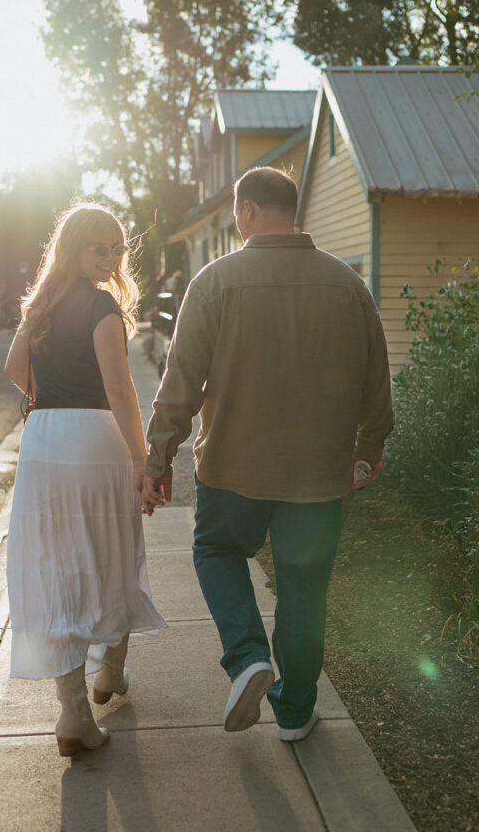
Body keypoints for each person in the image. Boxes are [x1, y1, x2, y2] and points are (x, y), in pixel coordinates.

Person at [142, 166, 393, 743]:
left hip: (234, 469)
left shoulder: (214, 281)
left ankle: (248, 655)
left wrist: (158, 459)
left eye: (235, 212)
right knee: (304, 586)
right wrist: (367, 448)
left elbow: (180, 384)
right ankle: (296, 711)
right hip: (320, 476)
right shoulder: (348, 284)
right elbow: (375, 383)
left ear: (248, 210)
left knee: (215, 551)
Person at [4, 203, 166, 758]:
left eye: (117, 248)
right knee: (110, 555)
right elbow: (120, 390)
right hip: (95, 438)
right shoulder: (102, 307)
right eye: (99, 246)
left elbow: (12, 370)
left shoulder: (41, 305)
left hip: (44, 441)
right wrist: (143, 461)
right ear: (73, 245)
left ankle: (75, 710)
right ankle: (108, 674)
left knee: (57, 567)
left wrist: (51, 396)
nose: (110, 257)